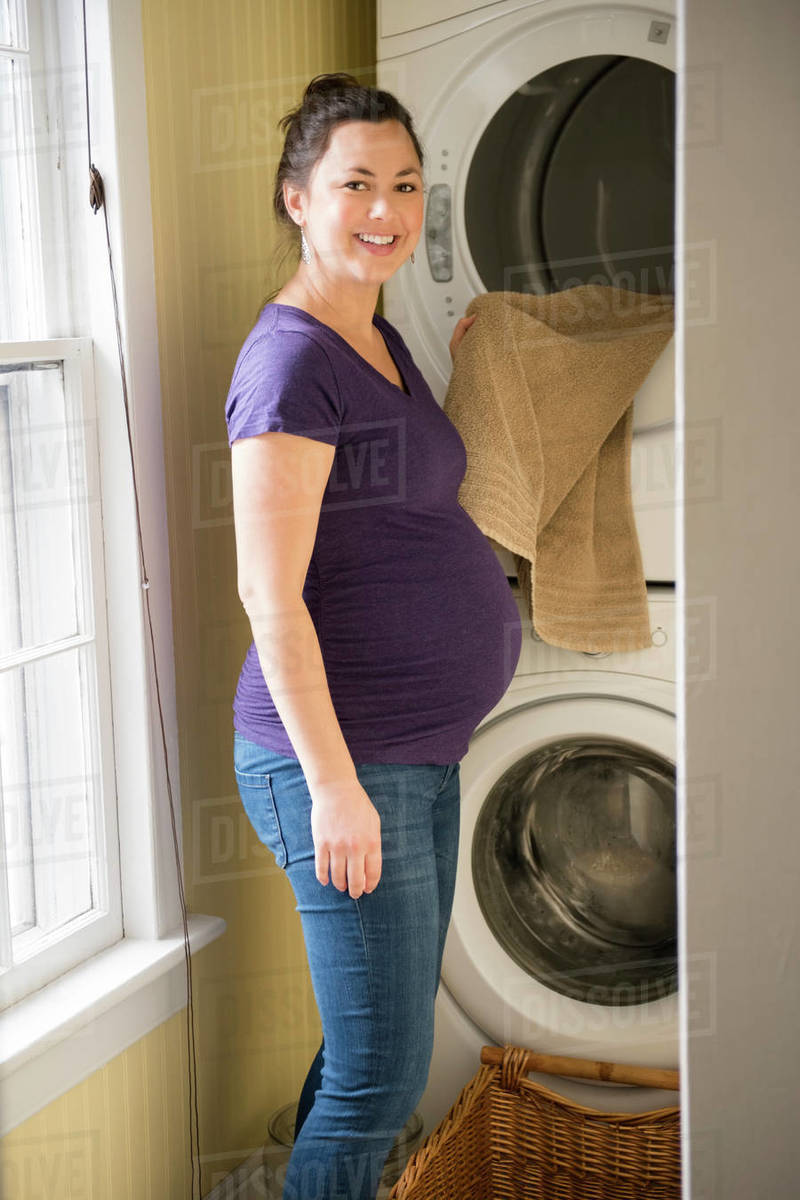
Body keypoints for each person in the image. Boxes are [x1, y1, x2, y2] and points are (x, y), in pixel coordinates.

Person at [226, 73, 522, 1200]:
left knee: (370, 1052)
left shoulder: (373, 333)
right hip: (342, 765)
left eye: (403, 183)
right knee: (383, 1076)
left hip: (413, 753)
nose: (385, 208)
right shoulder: (291, 364)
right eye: (355, 183)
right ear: (297, 197)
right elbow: (271, 598)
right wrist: (335, 787)